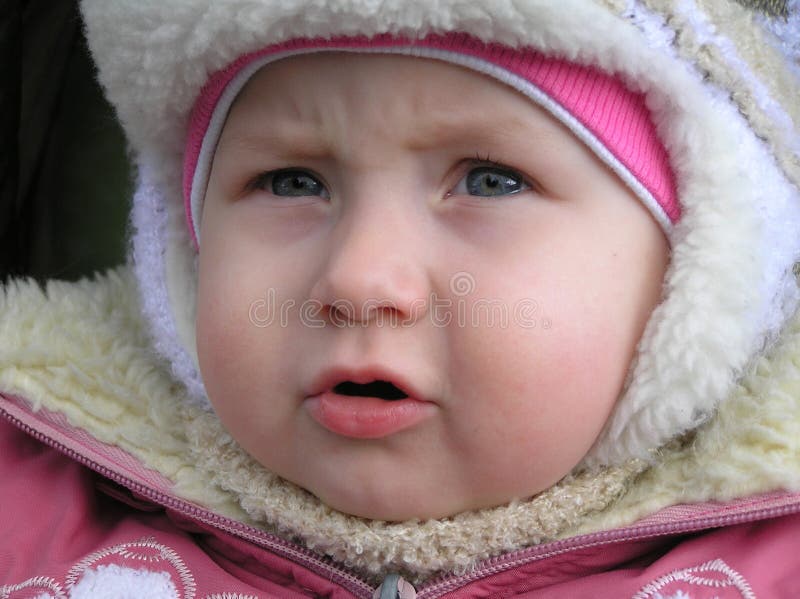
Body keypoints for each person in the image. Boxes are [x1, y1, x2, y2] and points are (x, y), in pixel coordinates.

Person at [1, 1, 799, 597]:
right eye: (291, 181)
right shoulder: (31, 492)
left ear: (695, 275)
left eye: (490, 180)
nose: (358, 278)